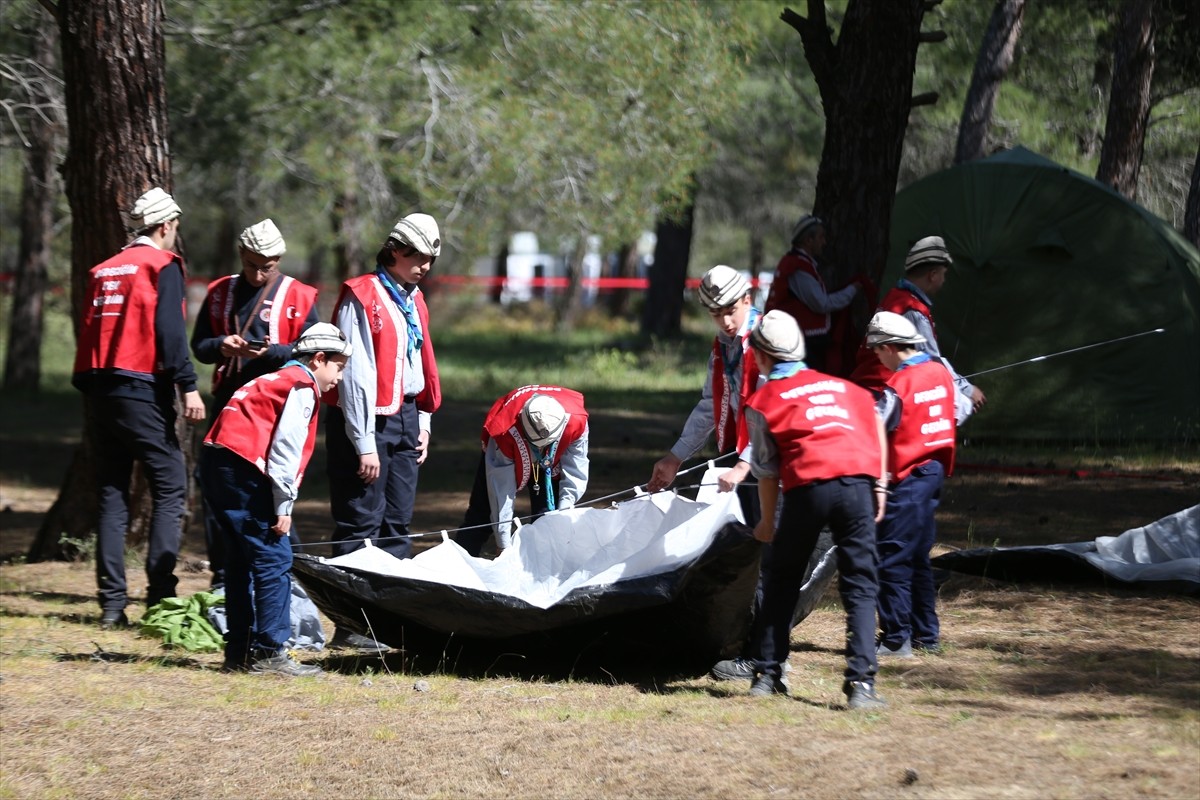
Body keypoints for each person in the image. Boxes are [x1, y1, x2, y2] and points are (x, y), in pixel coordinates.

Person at [711, 310, 888, 710]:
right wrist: (880, 484)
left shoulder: (764, 400)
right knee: (860, 585)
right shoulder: (845, 388)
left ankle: (768, 673)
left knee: (781, 580)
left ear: (762, 356)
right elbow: (875, 422)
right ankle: (862, 686)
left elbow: (767, 471)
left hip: (809, 487)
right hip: (857, 485)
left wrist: (767, 524)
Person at [71, 187, 207, 628]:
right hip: (141, 387)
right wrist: (187, 385)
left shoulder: (103, 270)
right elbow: (170, 331)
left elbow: (90, 331)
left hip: (99, 390)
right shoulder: (161, 265)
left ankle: (112, 605)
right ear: (166, 226)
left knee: (113, 495)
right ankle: (159, 595)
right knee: (170, 486)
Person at [200, 323, 351, 676]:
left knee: (239, 559)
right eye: (339, 368)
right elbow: (285, 449)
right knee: (274, 557)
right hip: (244, 468)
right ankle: (270, 654)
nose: (339, 378)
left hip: (216, 461)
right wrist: (284, 507)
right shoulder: (301, 386)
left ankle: (238, 651)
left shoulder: (275, 377)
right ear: (318, 360)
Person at [323, 213, 442, 648]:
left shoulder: (413, 299)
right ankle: (351, 626)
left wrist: (423, 421)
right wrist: (363, 443)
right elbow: (353, 375)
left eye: (430, 259)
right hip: (367, 420)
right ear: (395, 251)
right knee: (360, 520)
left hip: (406, 415)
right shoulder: (363, 296)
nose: (425, 266)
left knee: (398, 522)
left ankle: (390, 623)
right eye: (418, 257)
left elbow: (419, 362)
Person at [191, 218, 320, 590]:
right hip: (229, 404)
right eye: (251, 265)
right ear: (241, 256)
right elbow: (199, 346)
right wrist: (220, 346)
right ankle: (224, 573)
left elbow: (315, 351)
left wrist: (271, 353)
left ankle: (284, 570)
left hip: (276, 409)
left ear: (279, 259)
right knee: (218, 484)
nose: (259, 273)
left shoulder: (300, 296)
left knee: (270, 487)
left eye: (268, 266)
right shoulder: (220, 292)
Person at [864, 312, 956, 658]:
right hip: (933, 473)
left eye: (877, 352)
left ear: (889, 347)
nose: (877, 359)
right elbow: (955, 412)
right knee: (918, 556)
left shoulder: (899, 385)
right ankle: (926, 635)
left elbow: (877, 427)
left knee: (891, 557)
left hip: (907, 477)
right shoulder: (940, 372)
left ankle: (895, 637)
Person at [647, 265, 761, 521]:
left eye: (731, 312)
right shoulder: (722, 345)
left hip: (773, 458)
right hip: (744, 455)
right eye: (716, 314)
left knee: (772, 539)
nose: (725, 322)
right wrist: (675, 457)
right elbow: (711, 404)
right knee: (747, 533)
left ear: (747, 300)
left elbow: (774, 413)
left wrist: (744, 464)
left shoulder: (767, 339)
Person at [849, 235, 986, 423]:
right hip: (881, 396)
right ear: (933, 275)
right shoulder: (913, 311)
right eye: (944, 274)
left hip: (868, 389)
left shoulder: (895, 296)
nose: (944, 280)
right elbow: (934, 363)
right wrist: (968, 390)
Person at [456, 386, 589, 557]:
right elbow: (500, 492)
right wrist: (502, 543)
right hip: (509, 449)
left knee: (548, 519)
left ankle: (542, 574)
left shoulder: (576, 422)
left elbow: (576, 472)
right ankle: (458, 570)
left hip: (552, 462)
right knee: (481, 516)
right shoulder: (504, 431)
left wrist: (561, 518)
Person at [764, 214, 863, 373]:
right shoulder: (798, 268)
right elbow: (821, 304)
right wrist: (852, 291)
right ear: (808, 241)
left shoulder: (799, 264)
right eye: (821, 237)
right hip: (804, 342)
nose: (824, 243)